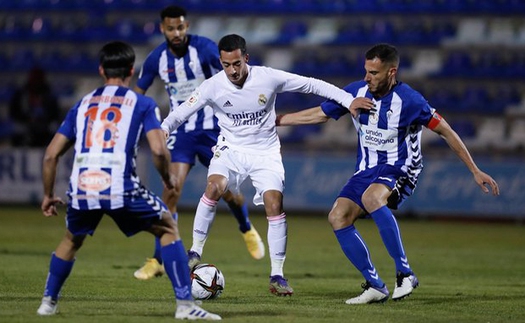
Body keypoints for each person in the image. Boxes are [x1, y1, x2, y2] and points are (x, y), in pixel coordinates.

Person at [276, 43, 500, 304]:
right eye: (366, 71)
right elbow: (320, 114)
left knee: (373, 199)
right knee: (338, 216)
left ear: (391, 72)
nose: (367, 78)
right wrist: (279, 120)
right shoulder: (356, 92)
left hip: (400, 168)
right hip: (366, 170)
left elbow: (446, 131)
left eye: (374, 73)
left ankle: (405, 273)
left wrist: (474, 170)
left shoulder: (411, 100)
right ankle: (375, 285)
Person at [161, 34, 360, 296]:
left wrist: (348, 100)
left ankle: (277, 275)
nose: (232, 70)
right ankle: (195, 251)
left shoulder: (268, 77)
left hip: (265, 152)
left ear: (246, 58)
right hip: (230, 149)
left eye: (236, 64)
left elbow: (312, 85)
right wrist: (163, 130)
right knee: (214, 188)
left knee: (274, 203)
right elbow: (180, 113)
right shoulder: (212, 86)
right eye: (226, 65)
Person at [36, 41, 221, 320]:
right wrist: (168, 178)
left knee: (71, 240)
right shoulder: (142, 103)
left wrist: (48, 195)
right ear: (132, 70)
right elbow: (159, 149)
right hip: (119, 186)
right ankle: (186, 306)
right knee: (168, 227)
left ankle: (47, 303)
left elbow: (51, 155)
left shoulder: (82, 104)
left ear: (101, 70)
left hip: (83, 187)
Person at [133, 5, 264, 280]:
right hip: (181, 133)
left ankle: (246, 228)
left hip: (213, 130)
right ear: (163, 29)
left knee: (229, 192)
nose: (177, 32)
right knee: (171, 189)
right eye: (171, 28)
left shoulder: (205, 49)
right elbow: (138, 94)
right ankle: (158, 259)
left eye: (180, 27)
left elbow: (233, 80)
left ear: (187, 25)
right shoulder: (156, 58)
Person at [9, 66, 61, 146]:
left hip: (45, 128)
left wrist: (43, 120)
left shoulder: (49, 95)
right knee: (18, 131)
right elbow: (14, 113)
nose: (36, 82)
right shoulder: (21, 95)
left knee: (54, 131)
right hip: (25, 125)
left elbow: (54, 114)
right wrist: (27, 119)